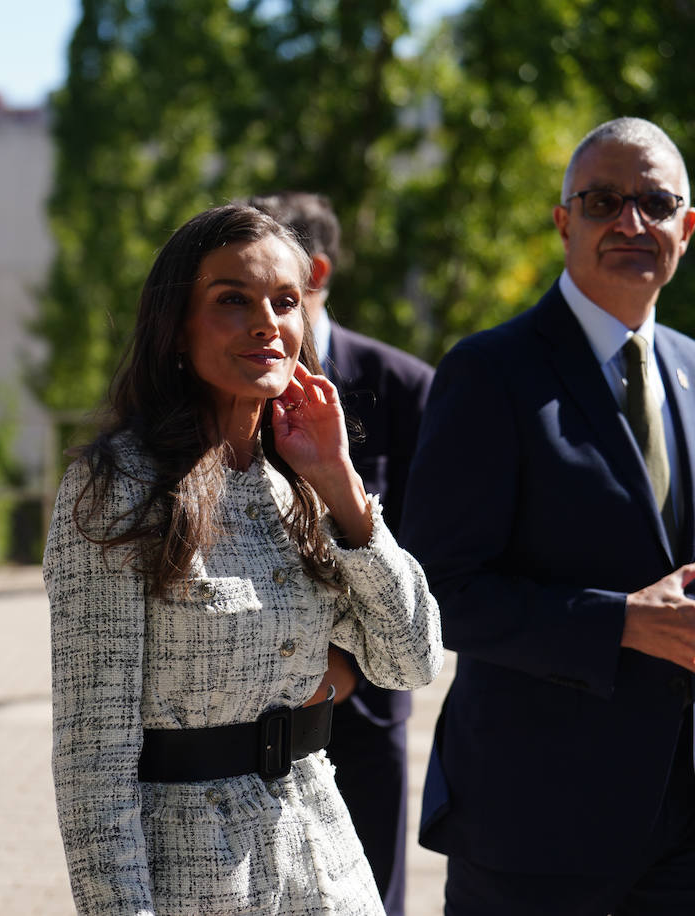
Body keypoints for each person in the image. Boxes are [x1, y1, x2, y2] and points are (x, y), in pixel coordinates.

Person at [401, 116, 695, 914]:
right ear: (564, 222)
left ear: (688, 227)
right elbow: (441, 593)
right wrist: (623, 624)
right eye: (604, 201)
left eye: (655, 202)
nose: (631, 222)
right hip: (535, 819)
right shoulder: (489, 373)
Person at [44, 203, 443, 915]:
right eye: (233, 300)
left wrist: (344, 489)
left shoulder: (302, 481)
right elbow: (92, 766)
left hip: (327, 863)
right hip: (194, 880)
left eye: (285, 302)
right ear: (177, 326)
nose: (268, 323)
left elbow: (410, 661)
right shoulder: (118, 490)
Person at [249, 191, 433, 916]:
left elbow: (430, 545)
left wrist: (347, 666)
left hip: (364, 706)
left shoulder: (405, 387)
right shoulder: (222, 379)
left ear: (316, 271)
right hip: (243, 708)